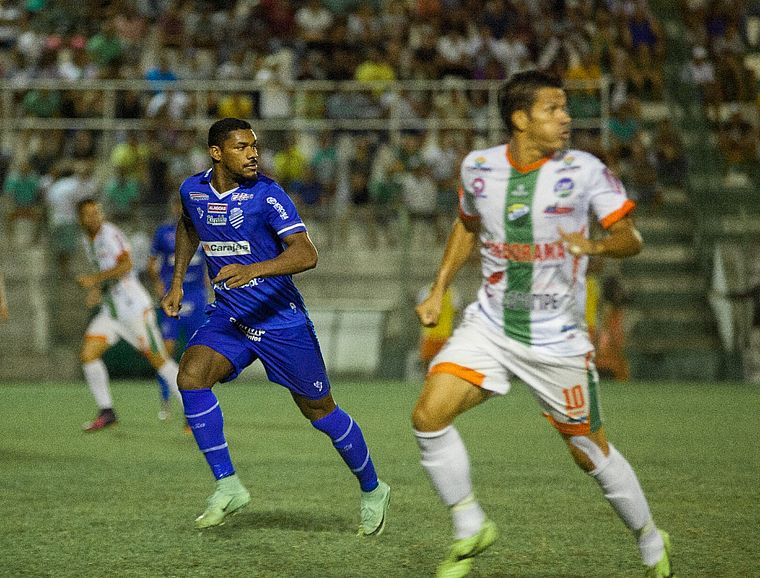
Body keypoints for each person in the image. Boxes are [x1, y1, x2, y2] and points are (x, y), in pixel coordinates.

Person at [411, 71, 673, 578]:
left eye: (565, 108)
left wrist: (594, 245)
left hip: (558, 339)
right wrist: (439, 288)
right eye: (553, 109)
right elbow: (466, 225)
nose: (565, 118)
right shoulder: (479, 168)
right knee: (428, 415)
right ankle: (469, 526)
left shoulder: (586, 171)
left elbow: (631, 237)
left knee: (587, 450)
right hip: (491, 325)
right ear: (520, 118)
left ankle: (648, 539)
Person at [160, 118, 391, 532]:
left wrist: (253, 270)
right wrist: (176, 281)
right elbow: (188, 226)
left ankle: (373, 489)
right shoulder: (192, 190)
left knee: (320, 411)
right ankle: (228, 485)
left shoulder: (268, 194)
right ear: (216, 153)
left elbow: (306, 254)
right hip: (231, 316)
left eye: (254, 146)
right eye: (241, 147)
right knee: (191, 377)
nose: (253, 154)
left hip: (280, 321)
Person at [76, 198, 182, 432]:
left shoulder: (110, 235)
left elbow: (126, 266)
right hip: (111, 313)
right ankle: (107, 411)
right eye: (88, 214)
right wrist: (97, 290)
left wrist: (94, 280)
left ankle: (194, 409)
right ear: (80, 218)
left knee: (160, 361)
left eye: (97, 212)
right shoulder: (87, 240)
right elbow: (106, 271)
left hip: (134, 309)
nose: (94, 217)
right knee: (88, 355)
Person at [147, 195, 209, 420]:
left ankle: (197, 404)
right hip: (173, 294)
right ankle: (166, 401)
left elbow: (210, 259)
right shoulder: (164, 232)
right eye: (179, 206)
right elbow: (152, 263)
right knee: (166, 349)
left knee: (197, 352)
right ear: (174, 207)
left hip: (196, 295)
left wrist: (209, 282)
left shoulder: (204, 229)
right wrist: (158, 285)